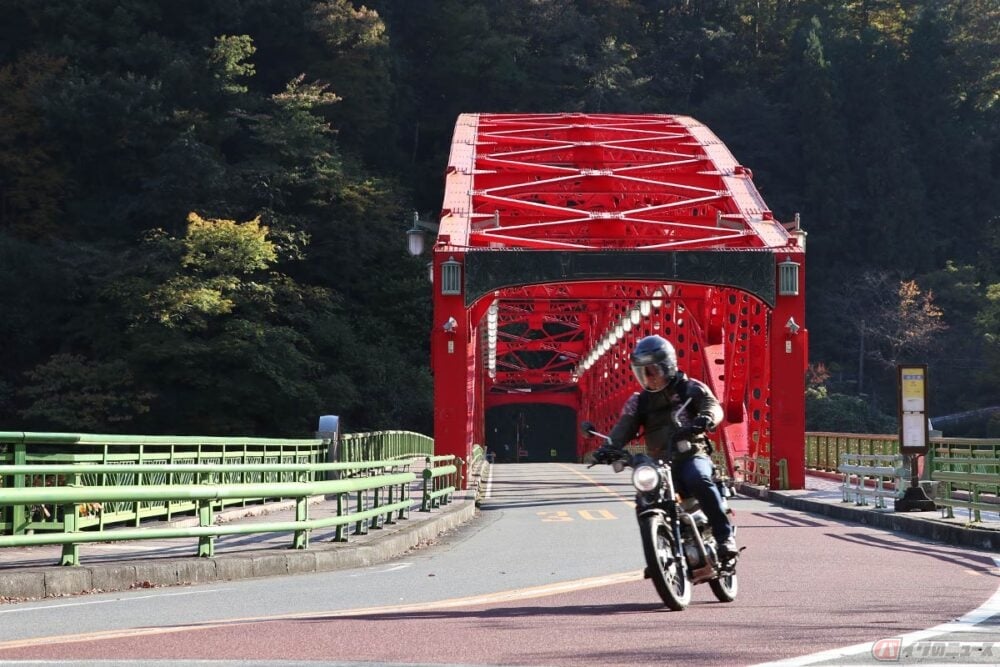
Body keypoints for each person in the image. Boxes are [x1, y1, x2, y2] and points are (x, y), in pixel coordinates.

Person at [602, 334, 737, 561]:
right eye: (642, 372)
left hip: (690, 453)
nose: (647, 377)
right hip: (659, 461)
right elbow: (624, 427)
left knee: (698, 479)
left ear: (667, 366)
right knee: (644, 498)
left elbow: (712, 406)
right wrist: (607, 447)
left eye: (652, 370)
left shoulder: (690, 389)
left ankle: (724, 537)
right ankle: (656, 556)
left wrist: (705, 419)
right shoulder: (639, 401)